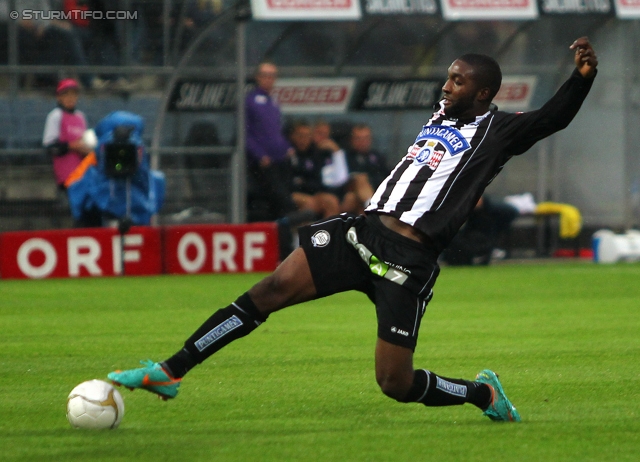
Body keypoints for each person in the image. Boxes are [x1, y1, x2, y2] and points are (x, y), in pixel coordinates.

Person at [109, 37, 598, 422]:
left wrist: (580, 79)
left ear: (484, 93)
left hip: (408, 260)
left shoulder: (499, 132)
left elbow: (552, 118)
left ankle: (481, 392)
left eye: (458, 80)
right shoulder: (441, 115)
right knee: (271, 288)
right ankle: (170, 371)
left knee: (395, 384)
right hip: (359, 233)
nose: (446, 86)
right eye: (447, 77)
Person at [43, 78, 100, 227]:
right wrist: (72, 146)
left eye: (73, 94)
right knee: (76, 211)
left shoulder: (80, 117)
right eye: (66, 94)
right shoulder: (56, 116)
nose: (70, 98)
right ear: (59, 97)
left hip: (81, 173)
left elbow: (85, 143)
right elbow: (50, 146)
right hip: (66, 174)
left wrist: (85, 149)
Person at [245, 61, 297, 221]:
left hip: (280, 160)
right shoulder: (250, 101)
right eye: (265, 75)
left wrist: (287, 148)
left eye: (272, 76)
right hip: (263, 163)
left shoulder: (273, 101)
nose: (269, 79)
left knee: (286, 193)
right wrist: (259, 155)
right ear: (258, 77)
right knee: (280, 198)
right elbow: (245, 133)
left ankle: (286, 231)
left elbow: (276, 130)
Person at [288, 120, 341, 219]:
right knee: (309, 203)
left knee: (331, 200)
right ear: (293, 136)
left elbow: (319, 180)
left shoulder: (315, 154)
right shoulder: (287, 153)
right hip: (292, 193)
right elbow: (287, 182)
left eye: (307, 136)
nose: (303, 139)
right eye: (300, 135)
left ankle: (328, 233)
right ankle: (303, 234)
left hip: (312, 192)